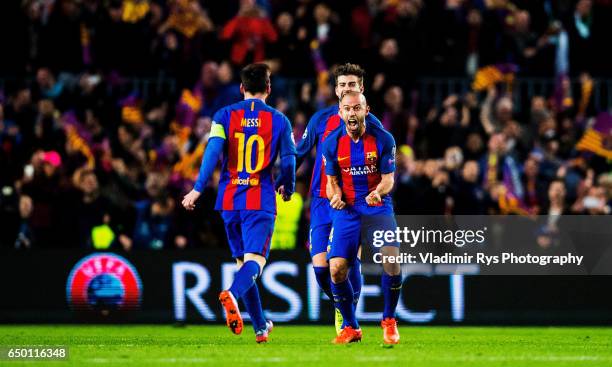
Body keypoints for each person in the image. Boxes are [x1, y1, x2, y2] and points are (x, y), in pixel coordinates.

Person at [182, 63, 296, 343]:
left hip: (230, 200)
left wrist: (197, 189)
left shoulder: (223, 115)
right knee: (255, 263)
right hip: (260, 200)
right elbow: (290, 160)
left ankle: (259, 327)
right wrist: (288, 185)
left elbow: (212, 151)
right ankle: (231, 293)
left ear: (242, 88)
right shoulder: (280, 120)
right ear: (269, 88)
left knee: (243, 264)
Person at [296, 63, 383, 334]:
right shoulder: (321, 119)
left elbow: (385, 164)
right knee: (321, 268)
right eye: (343, 85)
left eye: (352, 85)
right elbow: (301, 151)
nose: (347, 89)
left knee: (344, 262)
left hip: (352, 202)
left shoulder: (374, 124)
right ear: (336, 90)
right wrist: (284, 178)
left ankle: (349, 322)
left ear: (362, 89)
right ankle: (342, 305)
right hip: (322, 201)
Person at [323, 91, 401, 344]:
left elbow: (389, 179)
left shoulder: (384, 139)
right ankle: (351, 327)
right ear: (340, 113)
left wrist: (377, 192)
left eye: (357, 108)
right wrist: (334, 196)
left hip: (377, 206)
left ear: (366, 111)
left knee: (391, 258)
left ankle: (389, 321)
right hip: (348, 209)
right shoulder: (332, 143)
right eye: (347, 109)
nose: (352, 113)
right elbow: (331, 183)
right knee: (336, 269)